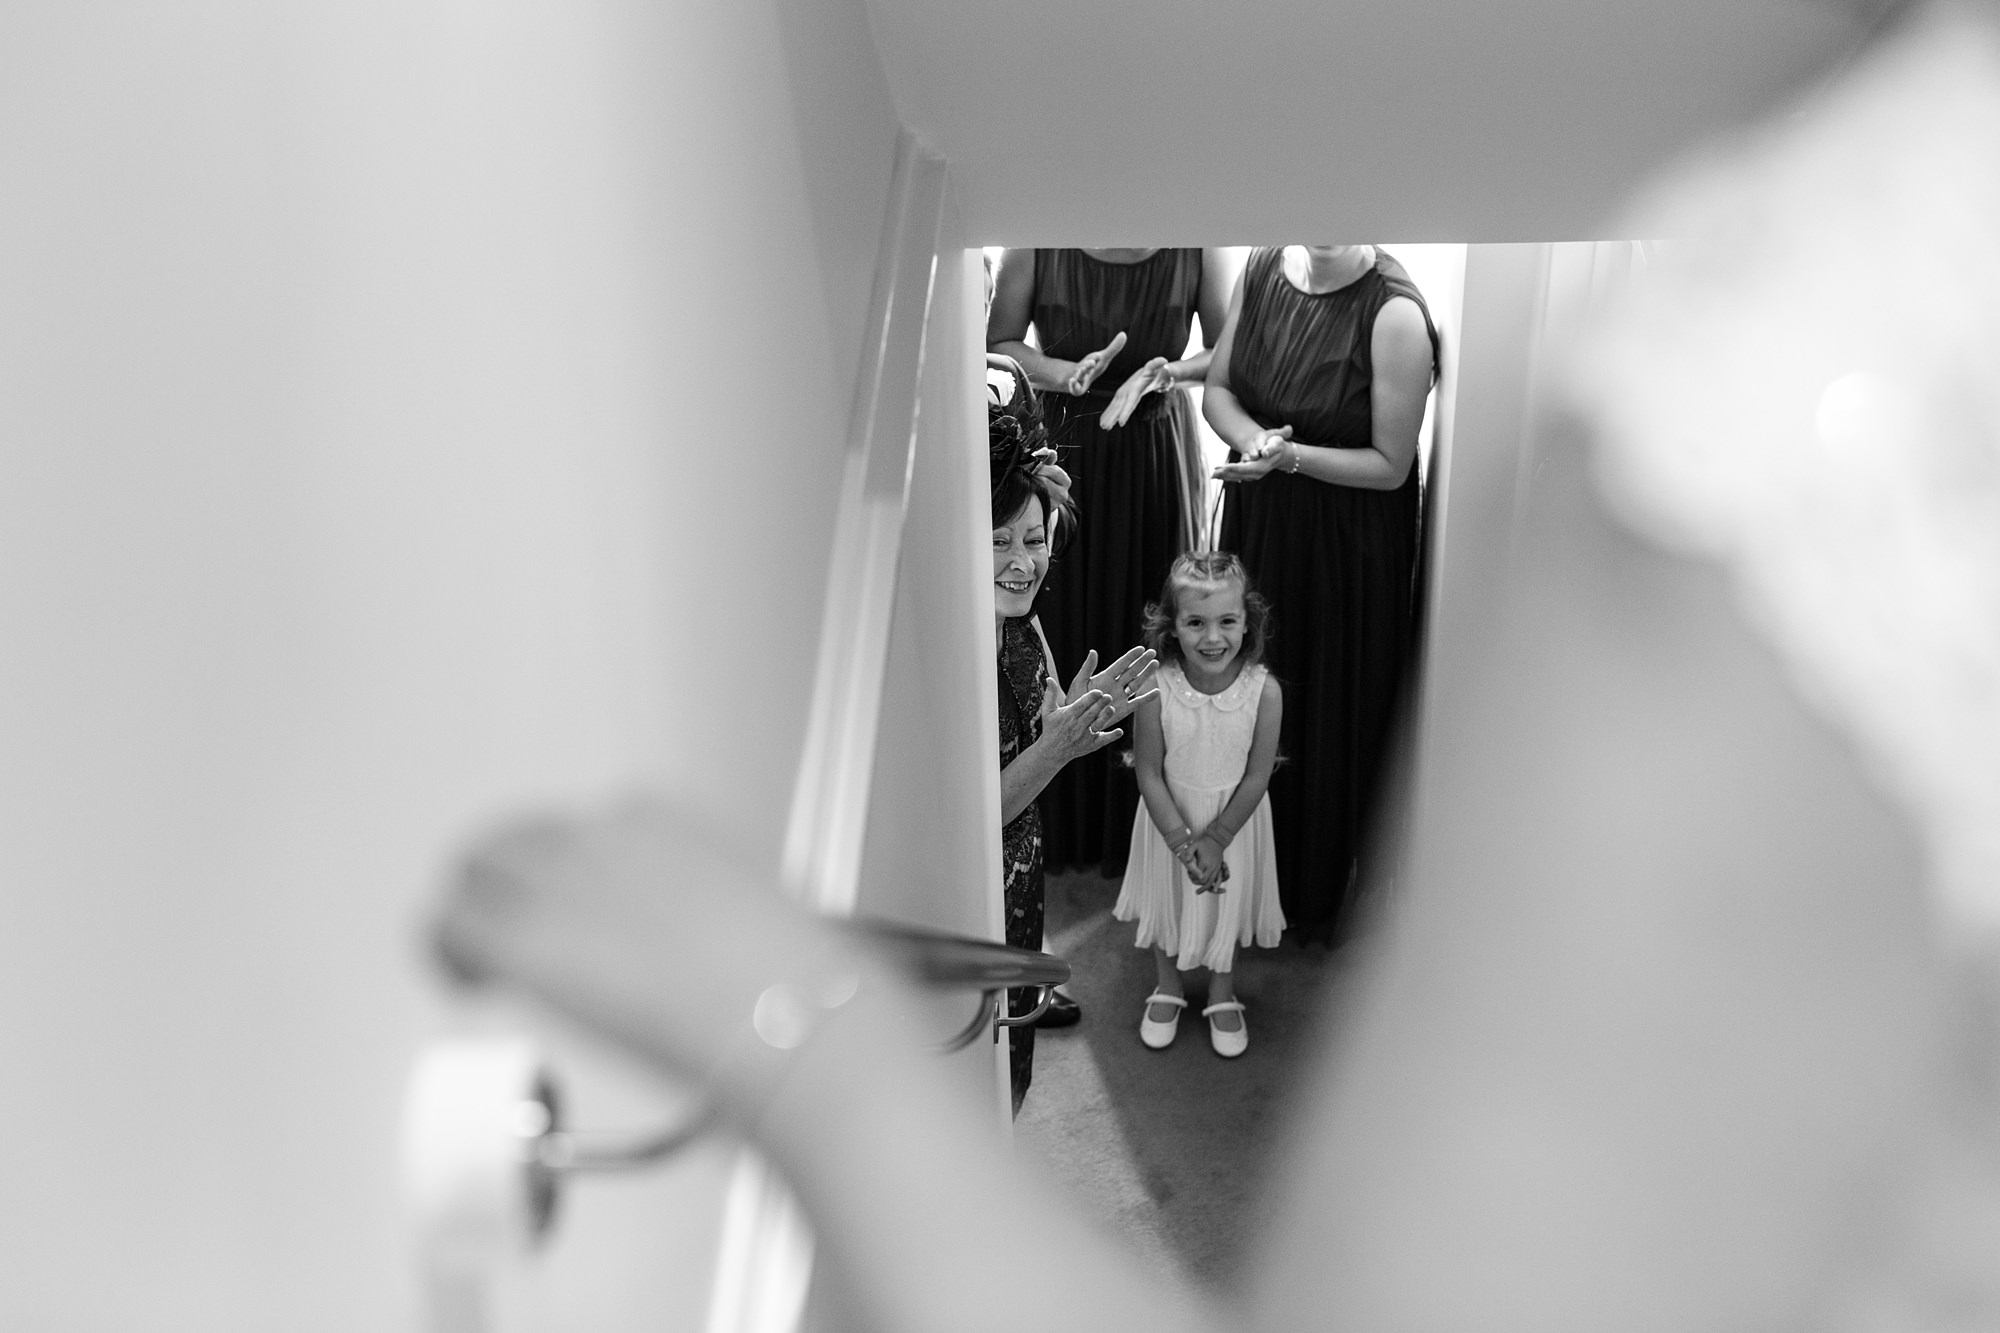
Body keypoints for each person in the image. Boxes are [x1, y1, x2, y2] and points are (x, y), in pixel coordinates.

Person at [433, 8, 2000, 1327]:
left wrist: (802, 1043)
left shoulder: (1786, 429)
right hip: (1188, 567)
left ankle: (1202, 981)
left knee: (1197, 918)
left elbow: (1316, 576)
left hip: (1304, 558)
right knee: (1126, 917)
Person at [1206, 244, 1438, 945]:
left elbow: (1391, 465)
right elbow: (1219, 391)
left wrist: (1292, 458)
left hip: (1344, 544)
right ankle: (1236, 876)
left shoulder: (1394, 315)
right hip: (1265, 516)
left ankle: (1308, 891)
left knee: (1320, 699)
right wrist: (1256, 444)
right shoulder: (1261, 267)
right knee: (1250, 691)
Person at [988, 247, 1233, 882]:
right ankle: (1052, 819)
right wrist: (1068, 373)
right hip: (1072, 448)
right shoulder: (1036, 240)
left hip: (1153, 449)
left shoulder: (1200, 242)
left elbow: (1227, 350)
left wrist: (1168, 373)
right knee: (1063, 618)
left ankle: (1142, 829)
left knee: (1146, 629)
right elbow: (998, 343)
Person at [986, 357, 1159, 1109]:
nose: (1022, 563)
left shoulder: (1023, 627)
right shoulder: (956, 653)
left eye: (1034, 538)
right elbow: (980, 812)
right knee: (983, 1069)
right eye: (999, 541)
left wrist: (1080, 709)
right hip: (976, 880)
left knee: (1015, 1050)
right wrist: (1057, 746)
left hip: (1024, 865)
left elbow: (1046, 714)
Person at [1114, 552, 1284, 1057]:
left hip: (1236, 821)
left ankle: (1221, 991)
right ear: (1172, 626)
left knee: (1225, 902)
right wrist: (1182, 842)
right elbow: (1148, 772)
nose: (1213, 638)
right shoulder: (1155, 687)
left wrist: (1217, 839)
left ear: (1247, 622)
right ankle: (1167, 985)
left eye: (1227, 621)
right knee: (1169, 897)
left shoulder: (1265, 692)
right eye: (1196, 623)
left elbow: (1257, 776)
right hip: (1170, 816)